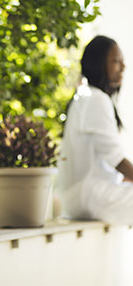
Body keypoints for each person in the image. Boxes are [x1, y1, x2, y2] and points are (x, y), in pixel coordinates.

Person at [56, 35, 133, 224]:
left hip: (77, 197)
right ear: (98, 63)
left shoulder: (83, 96)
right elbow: (116, 159)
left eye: (122, 61)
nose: (123, 67)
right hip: (90, 196)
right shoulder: (97, 98)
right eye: (116, 61)